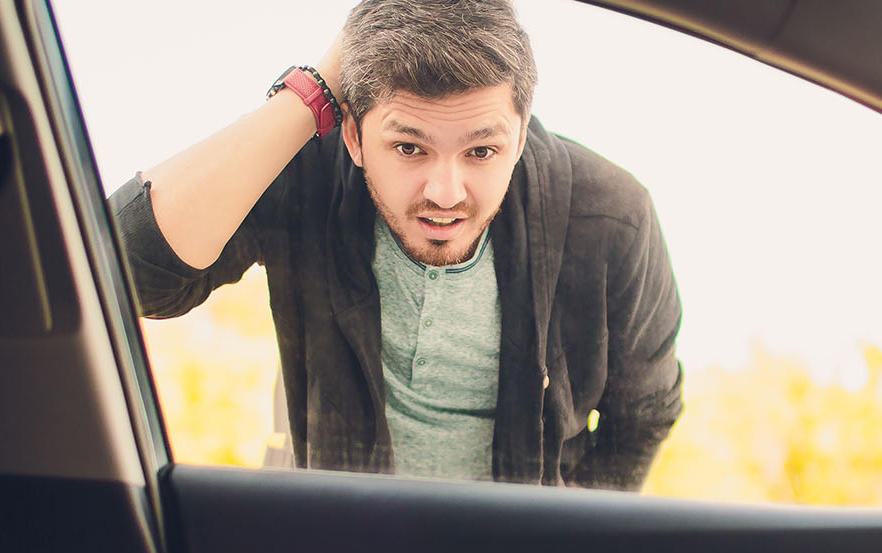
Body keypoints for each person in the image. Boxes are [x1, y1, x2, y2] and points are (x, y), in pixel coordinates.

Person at [109, 0, 684, 489]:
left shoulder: (613, 217)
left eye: (480, 151)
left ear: (519, 127)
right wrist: (311, 91)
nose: (446, 192)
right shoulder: (306, 174)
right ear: (355, 135)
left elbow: (644, 416)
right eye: (410, 147)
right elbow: (123, 275)